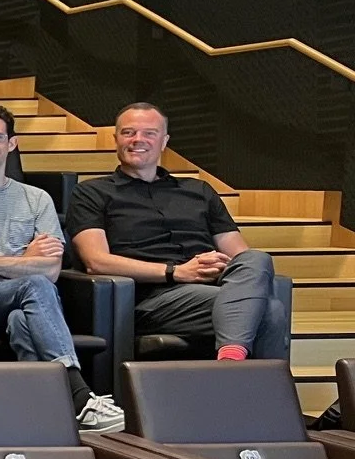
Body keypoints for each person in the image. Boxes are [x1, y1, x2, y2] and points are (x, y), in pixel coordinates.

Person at [0, 105, 125, 431]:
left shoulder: (37, 199)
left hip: (28, 301)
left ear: (12, 143)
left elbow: (51, 271)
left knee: (23, 316)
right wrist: (24, 260)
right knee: (33, 286)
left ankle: (44, 416)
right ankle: (78, 396)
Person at [67, 102, 290, 361]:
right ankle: (242, 380)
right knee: (269, 311)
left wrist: (215, 266)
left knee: (257, 258)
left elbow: (239, 256)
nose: (138, 140)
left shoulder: (199, 191)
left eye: (149, 133)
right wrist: (177, 272)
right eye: (129, 132)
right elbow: (96, 261)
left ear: (164, 141)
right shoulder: (91, 192)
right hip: (149, 298)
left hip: (213, 286)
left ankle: (231, 362)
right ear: (115, 138)